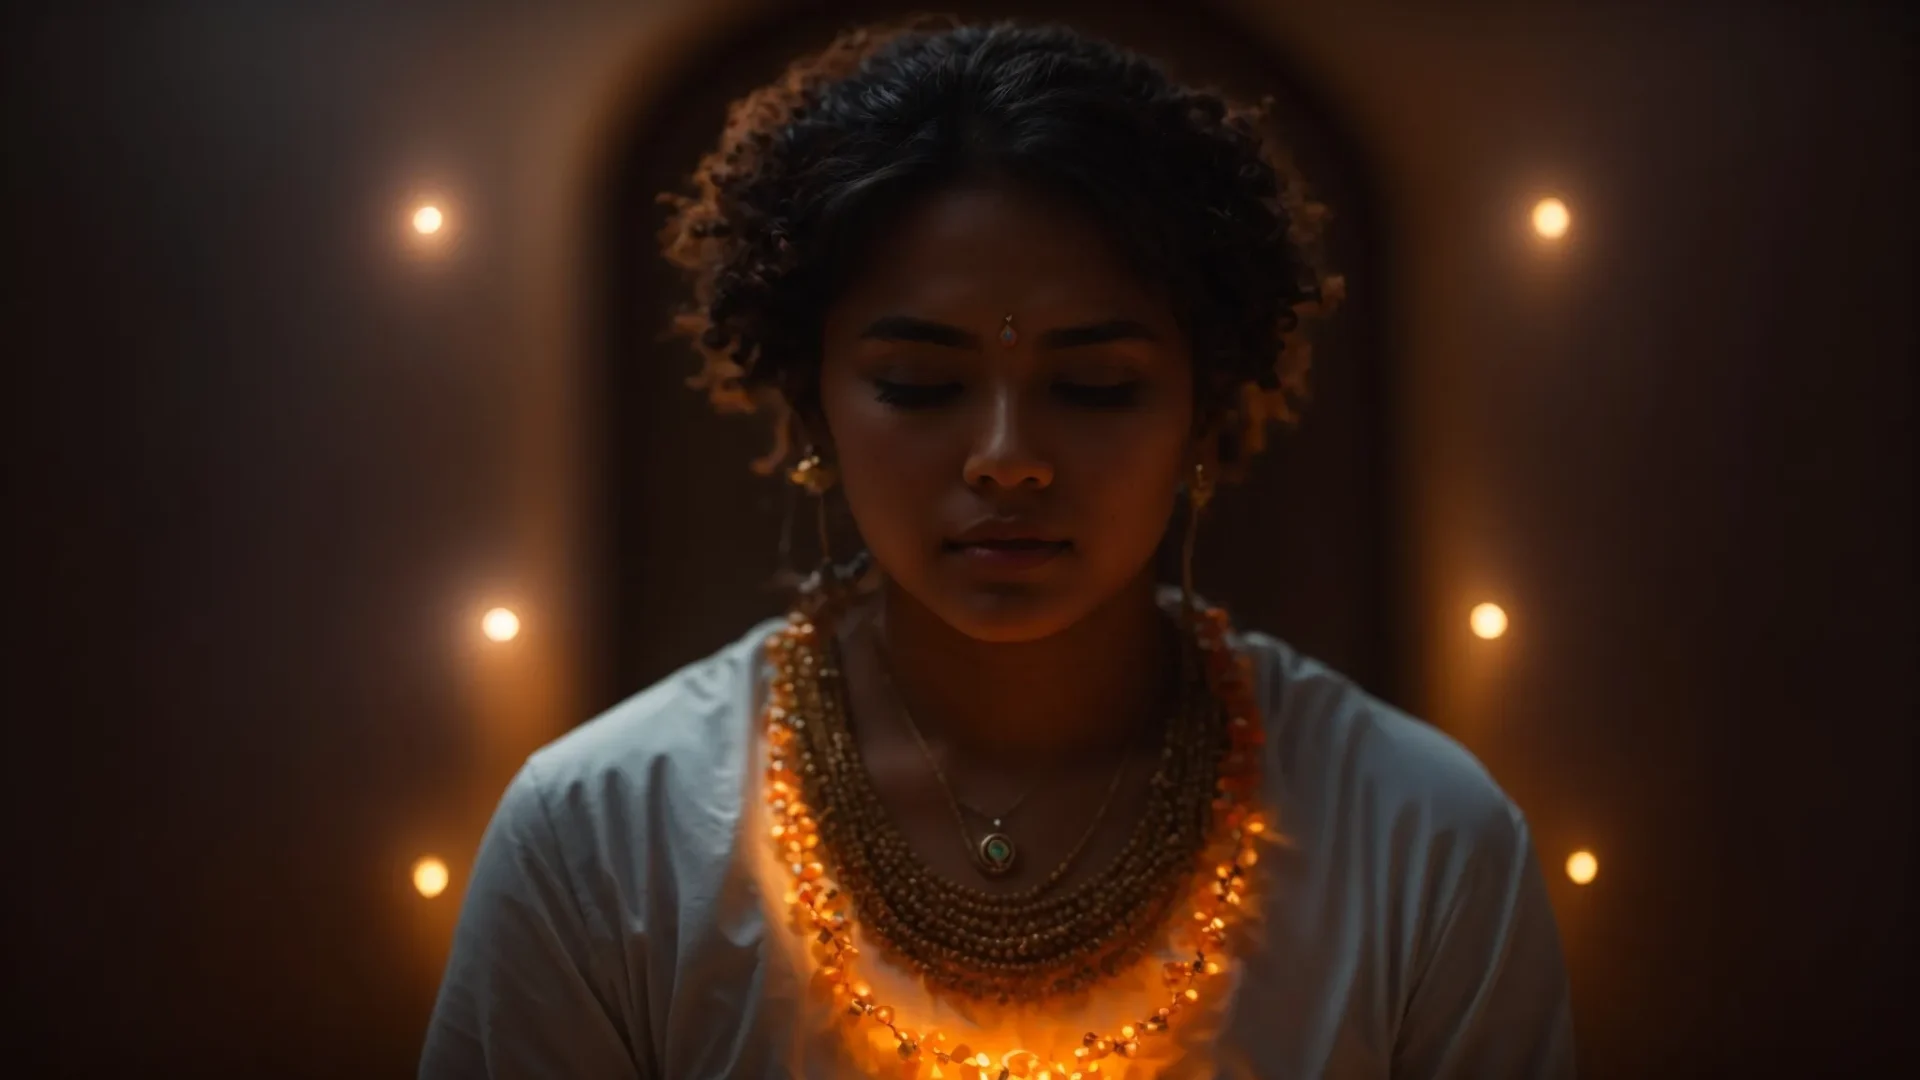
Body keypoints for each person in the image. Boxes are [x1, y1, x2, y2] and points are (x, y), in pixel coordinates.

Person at [420, 19, 1574, 1079]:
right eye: (921, 387)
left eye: (1095, 386)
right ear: (812, 409)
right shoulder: (607, 840)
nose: (1008, 458)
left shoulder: (1420, 841)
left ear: (1207, 415)